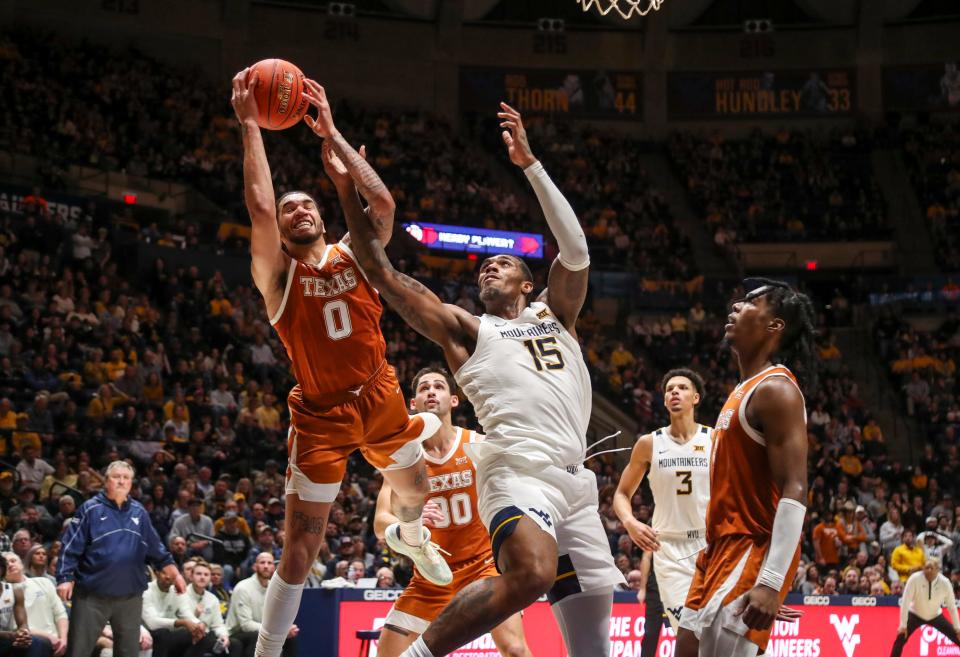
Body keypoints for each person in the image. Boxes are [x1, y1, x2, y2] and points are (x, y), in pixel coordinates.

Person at [320, 91, 623, 657]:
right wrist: (344, 190)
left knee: (592, 647)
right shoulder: (468, 330)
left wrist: (531, 166)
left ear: (528, 283)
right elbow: (384, 274)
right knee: (530, 575)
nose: (490, 266)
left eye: (504, 263)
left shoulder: (558, 316)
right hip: (518, 471)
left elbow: (576, 249)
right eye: (486, 265)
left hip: (578, 486)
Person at [230, 67, 451, 657]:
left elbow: (382, 202)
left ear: (323, 216)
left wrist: (334, 139)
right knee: (300, 548)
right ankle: (268, 650)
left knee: (417, 493)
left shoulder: (356, 251)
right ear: (281, 227)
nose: (298, 209)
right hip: (322, 416)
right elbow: (256, 206)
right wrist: (252, 124)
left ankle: (409, 538)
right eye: (289, 208)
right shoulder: (277, 275)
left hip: (379, 396)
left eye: (307, 203)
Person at [676, 279, 814, 657]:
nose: (736, 307)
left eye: (751, 304)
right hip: (717, 549)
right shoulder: (742, 389)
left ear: (775, 326)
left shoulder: (776, 390)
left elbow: (796, 488)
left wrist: (770, 581)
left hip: (751, 547)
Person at [372, 367, 532, 657]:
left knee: (516, 649)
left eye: (438, 386)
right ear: (413, 403)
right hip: (430, 578)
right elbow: (381, 523)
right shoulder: (404, 460)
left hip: (483, 568)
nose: (431, 391)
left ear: (454, 400)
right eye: (423, 388)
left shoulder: (477, 444)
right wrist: (412, 521)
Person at [613, 368, 712, 656]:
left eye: (682, 388)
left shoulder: (715, 440)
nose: (674, 392)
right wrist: (630, 522)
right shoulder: (649, 444)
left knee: (720, 635)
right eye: (669, 389)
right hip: (669, 550)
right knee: (689, 636)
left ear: (695, 398)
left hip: (711, 546)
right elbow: (621, 493)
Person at [56, 461, 186, 657]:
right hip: (92, 595)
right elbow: (70, 545)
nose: (121, 481)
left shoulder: (139, 511)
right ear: (106, 481)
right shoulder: (89, 509)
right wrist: (65, 578)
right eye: (116, 477)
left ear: (131, 484)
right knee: (79, 651)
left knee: (128, 652)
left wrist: (175, 574)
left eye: (126, 478)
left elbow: (155, 547)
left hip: (130, 597)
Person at [226, 552, 299, 657]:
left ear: (274, 567)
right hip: (237, 633)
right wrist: (274, 632)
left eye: (269, 563)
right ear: (255, 567)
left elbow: (278, 619)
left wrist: (285, 629)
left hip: (264, 631)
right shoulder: (243, 588)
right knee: (257, 636)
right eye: (262, 563)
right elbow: (246, 625)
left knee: (291, 639)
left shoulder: (275, 589)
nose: (266, 566)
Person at [890, 557, 960, 657]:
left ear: (938, 569)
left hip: (936, 615)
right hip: (915, 614)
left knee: (958, 636)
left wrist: (958, 629)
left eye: (932, 568)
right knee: (900, 637)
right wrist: (903, 626)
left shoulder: (945, 583)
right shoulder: (914, 579)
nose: (929, 570)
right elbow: (905, 602)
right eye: (927, 568)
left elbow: (952, 607)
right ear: (923, 568)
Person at [3, 552, 68, 657]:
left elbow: (60, 613)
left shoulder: (44, 582)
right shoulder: (4, 593)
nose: (10, 565)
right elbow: (14, 627)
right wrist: (49, 637)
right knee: (36, 643)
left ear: (21, 564)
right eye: (5, 564)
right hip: (31, 641)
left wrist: (63, 639)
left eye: (13, 561)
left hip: (58, 639)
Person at [141, 565, 201, 657]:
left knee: (199, 634)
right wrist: (182, 622)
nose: (168, 576)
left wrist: (199, 624)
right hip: (147, 632)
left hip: (169, 633)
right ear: (157, 573)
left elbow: (186, 613)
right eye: (164, 573)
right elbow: (152, 623)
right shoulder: (146, 590)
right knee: (162, 633)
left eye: (171, 573)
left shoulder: (177, 590)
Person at [177, 560, 234, 657]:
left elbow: (218, 624)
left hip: (205, 637)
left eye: (206, 575)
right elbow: (183, 616)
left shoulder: (212, 599)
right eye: (198, 574)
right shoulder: (182, 594)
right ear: (191, 576)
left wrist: (224, 635)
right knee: (204, 638)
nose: (202, 577)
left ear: (209, 578)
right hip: (184, 636)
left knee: (234, 644)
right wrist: (197, 618)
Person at [0, 554, 37, 656]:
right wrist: (10, 635)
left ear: (2, 569)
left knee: (39, 643)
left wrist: (23, 634)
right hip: (6, 637)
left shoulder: (15, 591)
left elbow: (23, 624)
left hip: (7, 639)